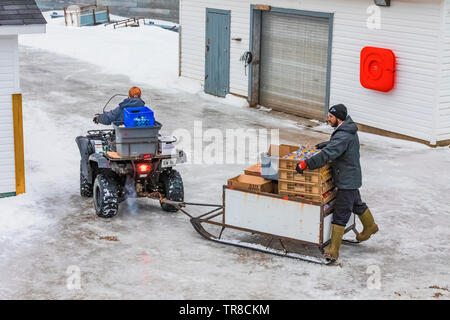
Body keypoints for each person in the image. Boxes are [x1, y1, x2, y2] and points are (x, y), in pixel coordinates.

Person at [295, 104, 378, 261]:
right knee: (355, 203)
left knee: (341, 213)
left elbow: (329, 154)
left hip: (346, 179)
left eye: (331, 117)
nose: (328, 119)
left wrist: (306, 164)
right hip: (350, 176)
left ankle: (333, 250)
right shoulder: (346, 130)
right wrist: (326, 144)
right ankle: (370, 226)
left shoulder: (344, 134)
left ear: (338, 118)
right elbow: (338, 146)